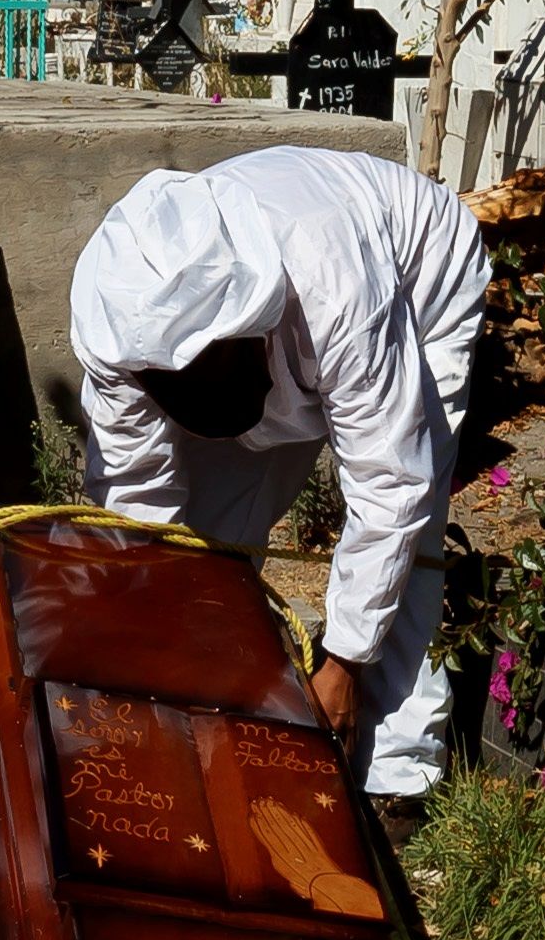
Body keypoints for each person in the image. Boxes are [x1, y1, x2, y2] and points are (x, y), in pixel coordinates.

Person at [70, 144, 483, 816]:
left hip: (417, 275)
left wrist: (344, 665)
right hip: (297, 330)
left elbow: (391, 488)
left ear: (246, 330)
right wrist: (149, 639)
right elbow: (135, 496)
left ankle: (398, 774)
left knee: (414, 522)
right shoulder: (122, 320)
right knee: (207, 542)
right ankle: (224, 716)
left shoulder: (336, 285)